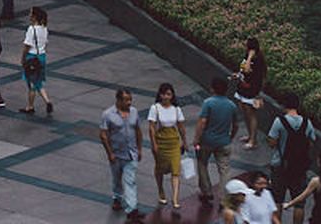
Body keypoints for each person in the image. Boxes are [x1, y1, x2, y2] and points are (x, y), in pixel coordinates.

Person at [100, 86, 148, 222]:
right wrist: (109, 153)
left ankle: (132, 209)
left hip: (130, 154)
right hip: (116, 154)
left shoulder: (134, 112)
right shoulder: (108, 114)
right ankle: (117, 197)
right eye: (126, 100)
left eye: (130, 99)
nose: (129, 103)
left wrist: (139, 149)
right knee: (117, 178)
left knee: (130, 180)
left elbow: (138, 130)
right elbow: (103, 135)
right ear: (118, 100)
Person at [266, 94, 315, 222]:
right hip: (300, 167)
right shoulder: (307, 122)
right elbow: (311, 143)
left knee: (277, 200)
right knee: (299, 204)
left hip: (280, 165)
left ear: (285, 105)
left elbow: (272, 143)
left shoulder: (279, 121)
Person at [194, 75, 241, 205]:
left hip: (207, 141)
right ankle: (223, 198)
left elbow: (202, 122)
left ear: (212, 89)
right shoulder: (231, 105)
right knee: (224, 170)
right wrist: (230, 137)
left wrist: (196, 139)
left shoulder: (208, 103)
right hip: (224, 142)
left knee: (202, 163)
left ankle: (207, 191)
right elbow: (236, 125)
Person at [149, 82, 189, 213]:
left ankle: (175, 198)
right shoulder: (155, 108)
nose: (166, 97)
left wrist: (185, 141)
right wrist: (154, 143)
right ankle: (161, 190)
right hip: (161, 143)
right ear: (160, 95)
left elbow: (181, 127)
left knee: (175, 170)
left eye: (169, 94)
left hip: (174, 143)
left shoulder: (176, 109)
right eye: (164, 94)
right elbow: (151, 127)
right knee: (160, 168)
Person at [234, 37, 268, 149]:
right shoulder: (246, 56)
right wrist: (238, 75)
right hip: (242, 88)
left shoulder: (258, 60)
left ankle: (253, 140)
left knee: (251, 114)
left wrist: (250, 57)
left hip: (252, 91)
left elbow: (248, 69)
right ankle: (249, 136)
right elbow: (244, 69)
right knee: (245, 113)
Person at [20, 5, 51, 114]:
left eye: (31, 14)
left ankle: (30, 106)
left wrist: (23, 59)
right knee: (38, 82)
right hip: (41, 57)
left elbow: (26, 46)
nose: (29, 16)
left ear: (34, 17)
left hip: (31, 57)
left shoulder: (31, 29)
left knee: (32, 85)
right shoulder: (44, 28)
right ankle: (47, 101)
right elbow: (46, 44)